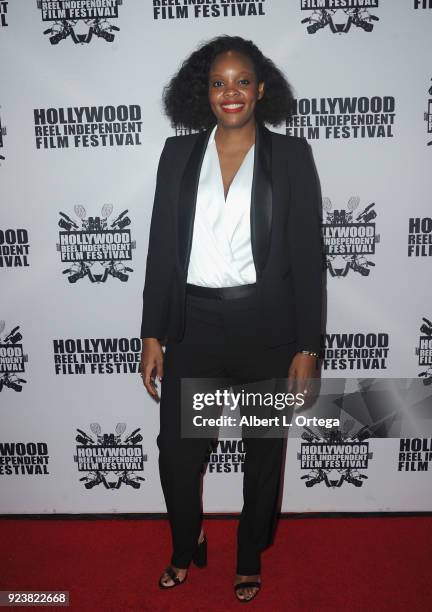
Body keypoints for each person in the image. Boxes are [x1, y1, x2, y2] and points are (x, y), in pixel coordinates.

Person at [139, 35, 324, 602]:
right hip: (194, 327)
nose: (231, 92)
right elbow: (161, 249)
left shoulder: (291, 156)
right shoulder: (178, 156)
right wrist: (152, 332)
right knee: (177, 453)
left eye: (242, 80)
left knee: (263, 456)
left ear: (262, 88)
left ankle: (248, 554)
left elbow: (308, 257)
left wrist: (307, 347)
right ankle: (185, 538)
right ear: (205, 93)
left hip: (267, 333)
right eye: (219, 83)